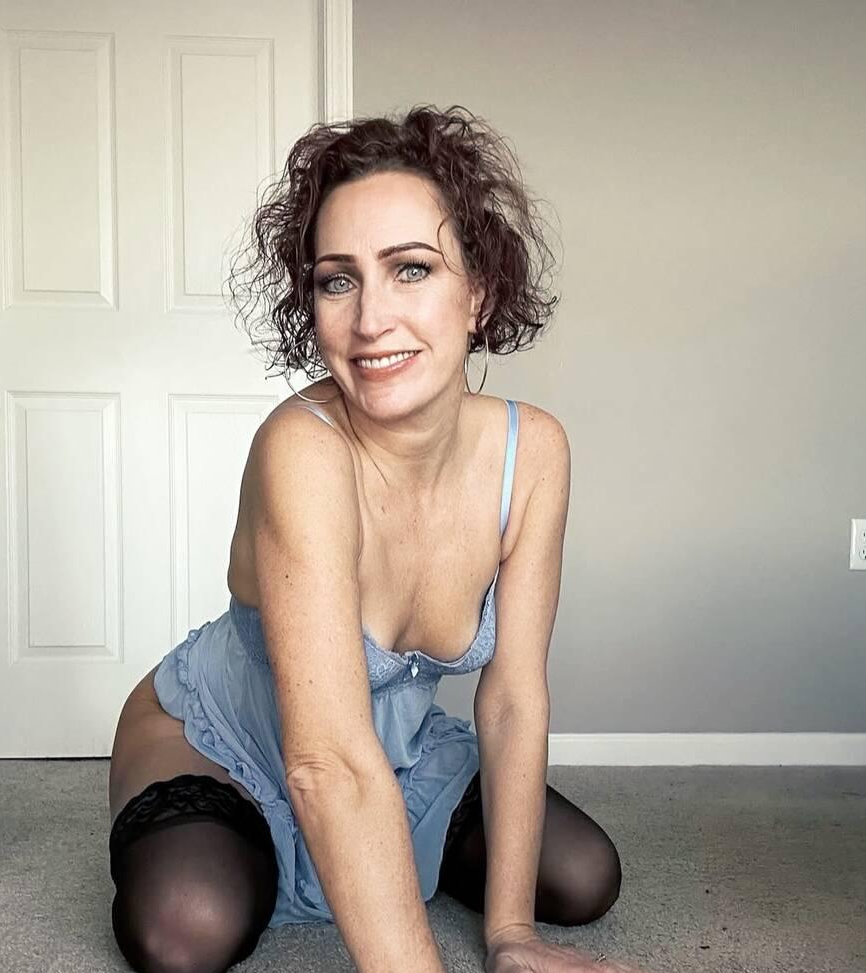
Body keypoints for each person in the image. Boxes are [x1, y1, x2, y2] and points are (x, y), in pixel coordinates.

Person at [107, 105, 645, 973]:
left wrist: (510, 934)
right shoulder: (301, 448)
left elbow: (513, 698)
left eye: (411, 269)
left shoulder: (534, 454)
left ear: (479, 293)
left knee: (582, 875)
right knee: (186, 926)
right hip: (227, 741)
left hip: (391, 752)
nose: (370, 320)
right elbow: (324, 759)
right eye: (338, 281)